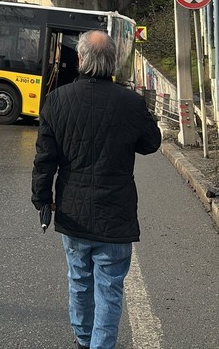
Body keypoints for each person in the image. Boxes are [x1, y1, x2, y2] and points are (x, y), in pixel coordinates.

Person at [31, 30, 161, 349]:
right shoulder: (131, 103)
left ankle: (83, 339)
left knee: (79, 281)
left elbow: (44, 159)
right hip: (115, 214)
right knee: (110, 288)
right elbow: (151, 143)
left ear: (80, 60)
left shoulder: (57, 101)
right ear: (112, 62)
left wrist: (42, 199)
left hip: (73, 212)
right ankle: (100, 345)